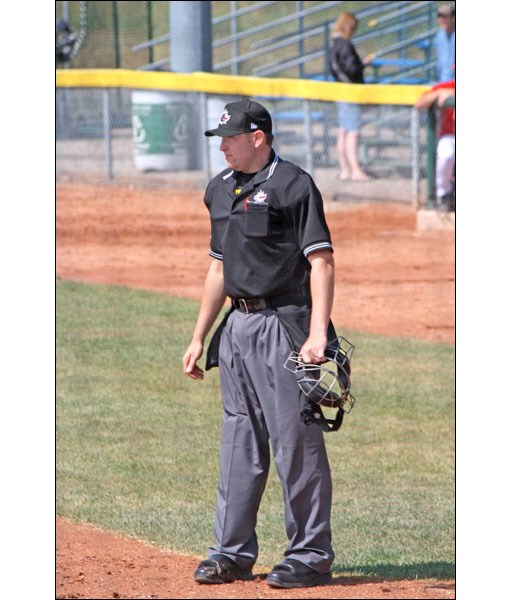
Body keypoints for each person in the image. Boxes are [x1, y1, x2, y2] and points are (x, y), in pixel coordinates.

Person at [182, 99, 338, 589]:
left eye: (230, 137)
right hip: (238, 329)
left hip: (284, 325)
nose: (222, 145)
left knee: (296, 442)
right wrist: (199, 334)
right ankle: (230, 553)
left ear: (259, 138)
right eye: (219, 139)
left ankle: (310, 554)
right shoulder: (219, 190)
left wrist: (317, 333)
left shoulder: (294, 185)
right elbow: (218, 268)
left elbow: (322, 262)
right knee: (238, 442)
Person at [329, 11, 373, 181]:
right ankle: (354, 170)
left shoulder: (333, 44)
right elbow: (352, 70)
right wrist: (362, 64)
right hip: (350, 91)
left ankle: (345, 169)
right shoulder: (345, 45)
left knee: (344, 131)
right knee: (352, 131)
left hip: (341, 90)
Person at [414, 80, 455, 210]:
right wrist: (439, 93)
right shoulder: (448, 86)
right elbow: (419, 103)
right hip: (451, 135)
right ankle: (443, 194)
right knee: (446, 153)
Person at [434, 5, 455, 83]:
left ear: (453, 18)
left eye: (445, 17)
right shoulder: (440, 36)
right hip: (443, 81)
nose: (442, 19)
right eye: (439, 16)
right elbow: (441, 64)